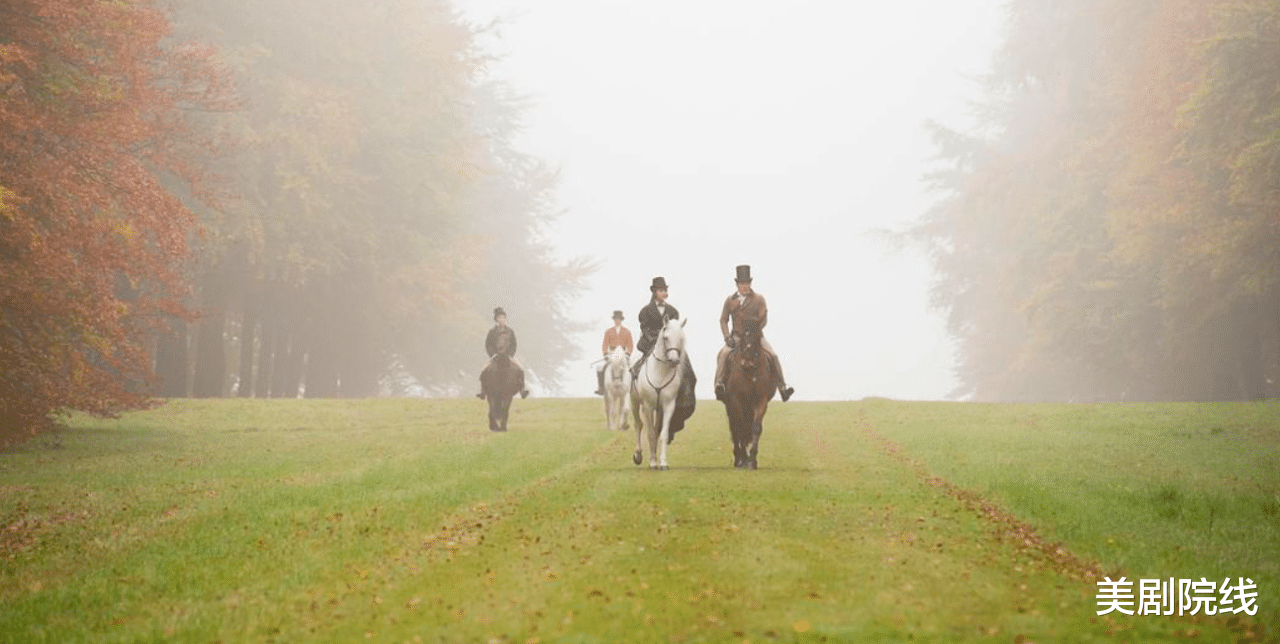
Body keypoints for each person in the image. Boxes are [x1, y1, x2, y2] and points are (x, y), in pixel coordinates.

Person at [714, 265, 794, 402]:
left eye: (747, 283)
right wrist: (727, 337)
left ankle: (783, 388)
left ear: (750, 283)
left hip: (756, 337)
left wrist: (754, 330)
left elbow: (764, 319)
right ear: (737, 284)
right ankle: (719, 385)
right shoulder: (730, 300)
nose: (745, 286)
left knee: (773, 355)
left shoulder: (759, 299)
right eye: (742, 283)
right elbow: (723, 320)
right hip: (737, 337)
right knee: (723, 354)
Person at [632, 276, 696, 440]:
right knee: (636, 367)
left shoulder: (673, 311)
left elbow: (675, 330)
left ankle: (686, 398)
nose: (664, 293)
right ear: (655, 292)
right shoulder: (645, 311)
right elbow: (645, 330)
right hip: (651, 344)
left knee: (688, 369)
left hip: (670, 345)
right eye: (661, 290)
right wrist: (656, 341)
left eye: (665, 290)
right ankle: (635, 385)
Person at [478, 307, 529, 399]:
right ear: (496, 320)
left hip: (508, 355)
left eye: (503, 318)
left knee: (520, 369)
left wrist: (510, 354)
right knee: (484, 370)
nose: (502, 319)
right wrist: (493, 354)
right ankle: (483, 392)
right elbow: (488, 344)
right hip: (495, 356)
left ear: (505, 319)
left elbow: (514, 344)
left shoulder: (510, 331)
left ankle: (522, 391)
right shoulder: (492, 332)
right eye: (500, 318)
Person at [595, 310, 634, 395]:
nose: (617, 321)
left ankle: (632, 387)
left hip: (623, 353)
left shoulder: (627, 332)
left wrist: (628, 354)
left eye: (619, 319)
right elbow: (605, 344)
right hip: (612, 353)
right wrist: (605, 354)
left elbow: (630, 345)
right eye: (616, 319)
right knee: (600, 367)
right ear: (614, 320)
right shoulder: (608, 331)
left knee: (632, 367)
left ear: (621, 320)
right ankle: (601, 388)